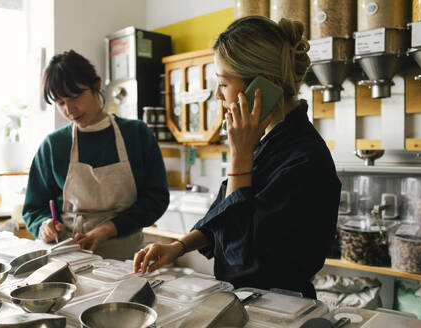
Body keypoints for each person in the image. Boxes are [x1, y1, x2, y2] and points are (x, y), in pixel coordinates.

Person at [133, 16, 341, 299]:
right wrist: (178, 247)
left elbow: (240, 255)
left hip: (283, 310)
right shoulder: (264, 140)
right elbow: (227, 212)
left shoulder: (305, 160)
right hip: (249, 302)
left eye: (223, 83)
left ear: (262, 86)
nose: (218, 95)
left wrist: (239, 158)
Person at [23, 50, 169, 260]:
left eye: (75, 97)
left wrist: (110, 228)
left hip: (126, 255)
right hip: (69, 255)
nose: (70, 110)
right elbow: (33, 208)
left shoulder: (136, 134)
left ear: (97, 85)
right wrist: (43, 225)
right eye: (60, 103)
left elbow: (156, 198)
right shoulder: (53, 145)